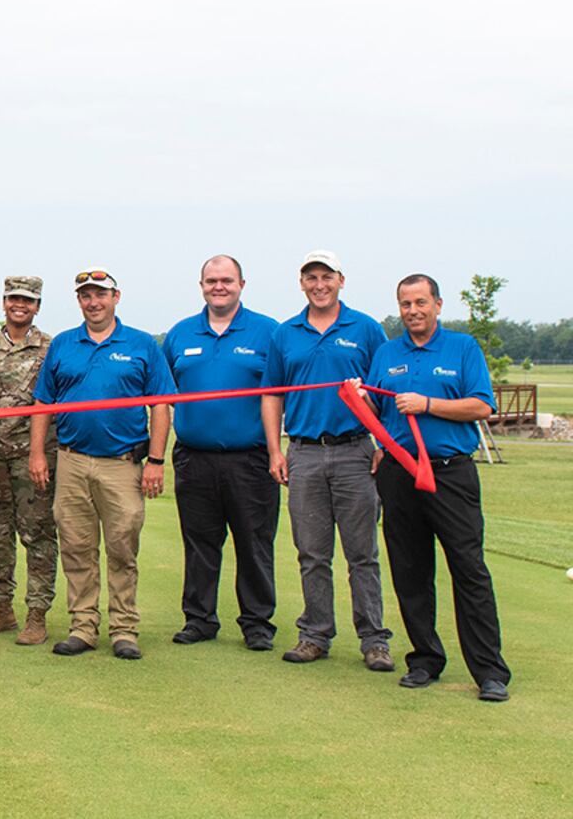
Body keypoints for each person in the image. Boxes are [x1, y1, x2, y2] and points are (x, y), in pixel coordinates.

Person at [362, 274, 510, 702]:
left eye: (420, 302)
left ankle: (489, 671)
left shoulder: (463, 348)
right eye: (405, 304)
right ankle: (425, 659)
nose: (413, 311)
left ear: (438, 305)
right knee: (410, 570)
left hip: (450, 473)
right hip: (398, 473)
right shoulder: (387, 353)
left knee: (469, 569)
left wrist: (427, 404)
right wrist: (359, 395)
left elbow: (481, 405)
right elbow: (377, 408)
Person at [30, 270, 174, 660]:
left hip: (122, 464)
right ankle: (83, 627)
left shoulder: (142, 345)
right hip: (72, 460)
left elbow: (161, 404)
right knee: (77, 548)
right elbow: (44, 403)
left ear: (116, 297)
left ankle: (124, 629)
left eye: (100, 295)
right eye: (86, 296)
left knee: (122, 548)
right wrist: (37, 453)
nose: (93, 302)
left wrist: (156, 461)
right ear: (79, 301)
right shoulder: (63, 344)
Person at [261, 250, 394, 671]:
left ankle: (374, 640)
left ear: (341, 279)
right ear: (301, 283)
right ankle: (315, 634)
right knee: (312, 553)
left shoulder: (367, 329)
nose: (319, 284)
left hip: (355, 451)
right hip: (304, 452)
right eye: (310, 277)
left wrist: (386, 445)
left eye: (326, 276)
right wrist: (275, 450)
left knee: (362, 554)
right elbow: (271, 395)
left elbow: (388, 389)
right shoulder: (286, 334)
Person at [160, 255, 282, 651]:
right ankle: (199, 619)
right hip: (194, 457)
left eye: (226, 280)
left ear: (242, 284)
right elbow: (162, 397)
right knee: (199, 542)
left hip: (251, 458)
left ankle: (257, 623)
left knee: (254, 542)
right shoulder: (180, 334)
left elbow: (280, 395)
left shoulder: (268, 333)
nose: (219, 286)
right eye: (211, 280)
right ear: (201, 286)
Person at [0, 276, 58, 646]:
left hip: (32, 455)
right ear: (4, 302)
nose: (19, 305)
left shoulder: (51, 348)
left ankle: (36, 614)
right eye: (13, 298)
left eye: (28, 300)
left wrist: (40, 453)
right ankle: (2, 608)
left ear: (37, 306)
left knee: (37, 534)